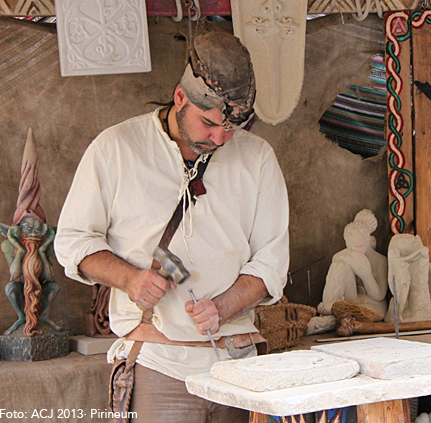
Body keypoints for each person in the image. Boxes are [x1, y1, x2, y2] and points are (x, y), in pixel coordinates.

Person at [54, 31, 289, 423]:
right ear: (181, 97)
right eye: (209, 124)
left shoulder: (258, 158)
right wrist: (130, 279)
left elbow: (271, 261)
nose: (220, 138)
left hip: (238, 363)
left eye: (231, 128)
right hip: (159, 362)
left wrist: (223, 307)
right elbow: (74, 242)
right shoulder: (116, 148)